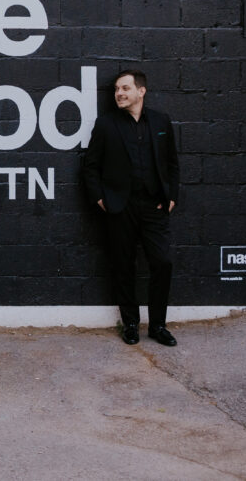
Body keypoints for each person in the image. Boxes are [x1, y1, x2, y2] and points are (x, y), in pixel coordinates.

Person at [83, 69, 179, 347]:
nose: (119, 94)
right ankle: (131, 325)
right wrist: (101, 199)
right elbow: (90, 166)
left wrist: (172, 196)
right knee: (123, 266)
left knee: (162, 262)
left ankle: (158, 325)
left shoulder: (161, 121)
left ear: (141, 91)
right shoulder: (106, 124)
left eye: (125, 88)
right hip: (119, 207)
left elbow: (172, 163)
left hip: (154, 206)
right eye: (116, 90)